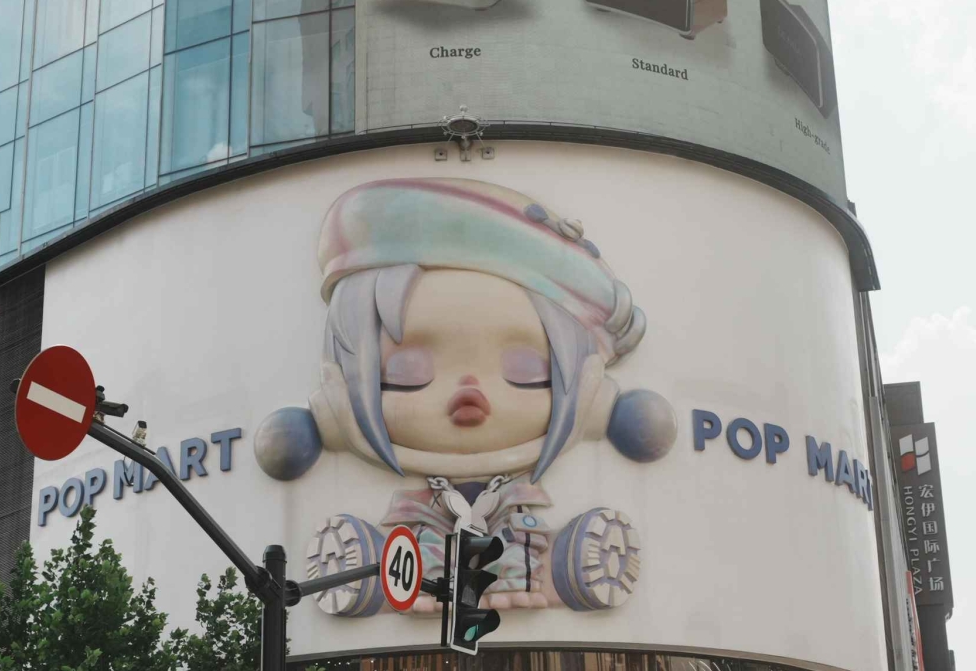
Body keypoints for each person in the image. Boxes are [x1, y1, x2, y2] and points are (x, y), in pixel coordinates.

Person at [253, 178, 678, 616]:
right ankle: (388, 574)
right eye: (406, 372)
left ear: (594, 398)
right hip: (418, 556)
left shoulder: (527, 488)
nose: (469, 392)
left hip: (520, 553)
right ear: (336, 402)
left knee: (525, 544)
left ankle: (558, 568)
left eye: (525, 371)